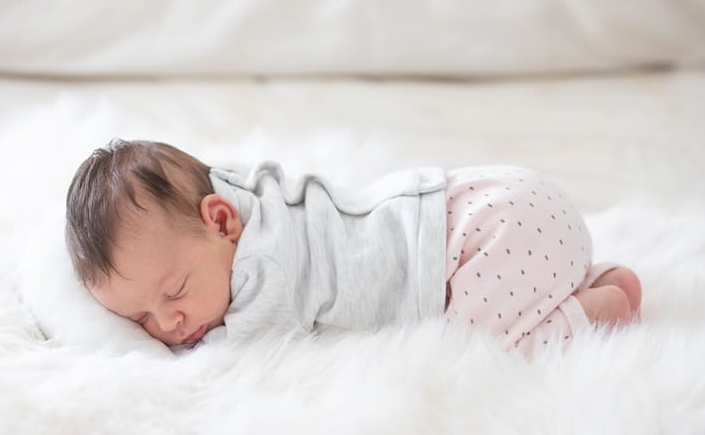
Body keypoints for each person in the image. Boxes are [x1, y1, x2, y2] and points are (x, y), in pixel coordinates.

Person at [65, 139, 641, 355]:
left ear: (220, 222)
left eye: (174, 292)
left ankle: (588, 313)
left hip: (480, 234)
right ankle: (583, 274)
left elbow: (228, 367)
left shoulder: (265, 270)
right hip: (495, 200)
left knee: (473, 347)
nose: (168, 324)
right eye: (139, 316)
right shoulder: (240, 202)